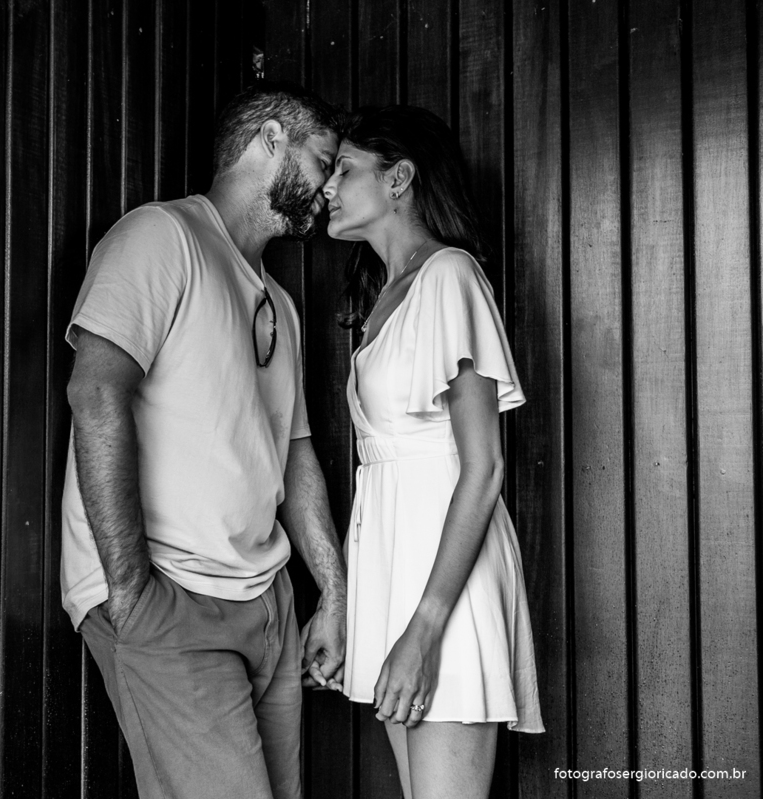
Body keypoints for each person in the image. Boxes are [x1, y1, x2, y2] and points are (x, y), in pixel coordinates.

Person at [60, 81, 347, 799]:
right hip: (170, 598)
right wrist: (131, 592)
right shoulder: (162, 236)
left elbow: (295, 456)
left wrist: (334, 594)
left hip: (268, 604)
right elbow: (95, 394)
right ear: (271, 139)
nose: (329, 186)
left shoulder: (280, 304)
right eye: (322, 160)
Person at [320, 105, 544, 799]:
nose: (328, 186)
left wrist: (424, 627)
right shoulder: (388, 293)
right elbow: (385, 468)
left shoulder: (449, 276)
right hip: (396, 575)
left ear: (399, 179)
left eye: (344, 169)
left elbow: (484, 467)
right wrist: (350, 606)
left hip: (443, 588)